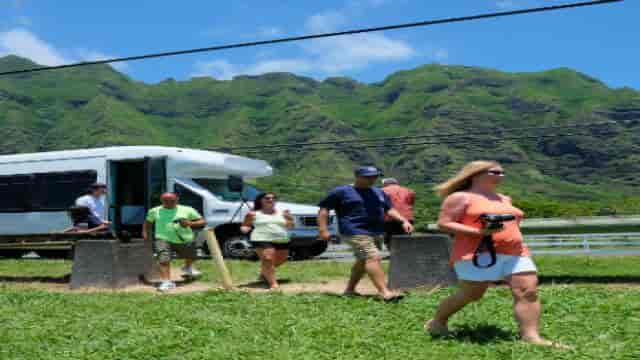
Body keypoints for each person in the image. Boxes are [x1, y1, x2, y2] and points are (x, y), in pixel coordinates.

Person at [425, 161, 561, 347]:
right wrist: (479, 233)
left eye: (503, 172)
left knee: (527, 290)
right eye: (496, 171)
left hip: (516, 251)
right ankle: (437, 322)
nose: (501, 175)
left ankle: (531, 337)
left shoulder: (504, 199)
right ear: (475, 174)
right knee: (471, 294)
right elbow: (444, 223)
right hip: (476, 253)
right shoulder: (460, 197)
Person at [318, 166, 414, 301]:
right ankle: (385, 292)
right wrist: (323, 230)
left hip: (376, 231)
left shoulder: (379, 192)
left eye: (375, 177)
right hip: (354, 230)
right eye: (368, 177)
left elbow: (389, 209)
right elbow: (324, 210)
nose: (372, 179)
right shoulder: (342, 191)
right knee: (373, 257)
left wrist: (403, 220)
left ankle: (350, 290)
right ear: (357, 176)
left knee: (363, 261)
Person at [143, 192, 206, 292]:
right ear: (161, 200)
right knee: (163, 258)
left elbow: (202, 221)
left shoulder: (187, 209)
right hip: (162, 238)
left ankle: (188, 267)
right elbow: (148, 223)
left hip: (185, 239)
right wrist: (145, 233)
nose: (168, 203)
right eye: (165, 201)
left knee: (192, 256)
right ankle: (167, 282)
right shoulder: (154, 211)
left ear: (177, 200)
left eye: (171, 201)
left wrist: (190, 223)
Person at [240, 192, 294, 290]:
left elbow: (290, 227)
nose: (271, 200)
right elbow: (245, 225)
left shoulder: (282, 213)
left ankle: (264, 273)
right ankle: (273, 284)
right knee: (268, 258)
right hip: (261, 238)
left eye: (273, 198)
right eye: (267, 198)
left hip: (282, 239)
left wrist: (290, 219)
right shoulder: (253, 214)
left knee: (281, 260)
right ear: (261, 200)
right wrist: (244, 229)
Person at [381, 178, 416, 249]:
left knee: (390, 239)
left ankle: (393, 255)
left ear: (385, 184)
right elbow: (411, 203)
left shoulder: (382, 191)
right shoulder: (409, 190)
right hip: (407, 218)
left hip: (389, 218)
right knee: (405, 239)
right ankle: (404, 254)